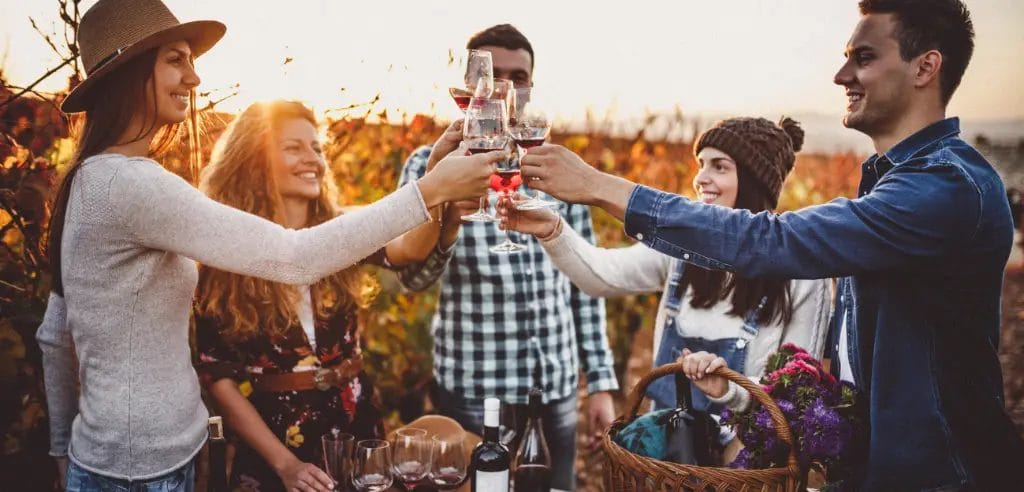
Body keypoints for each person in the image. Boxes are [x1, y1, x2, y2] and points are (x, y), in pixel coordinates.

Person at [517, 0, 1024, 488]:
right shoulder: (898, 185)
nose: (841, 75)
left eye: (863, 57)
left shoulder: (946, 188)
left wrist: (599, 185)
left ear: (925, 67)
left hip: (939, 478)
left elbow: (771, 240)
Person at [34, 0, 498, 489]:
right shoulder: (128, 184)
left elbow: (53, 332)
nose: (193, 78)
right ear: (127, 72)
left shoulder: (91, 181)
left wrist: (63, 451)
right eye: (175, 59)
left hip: (144, 459)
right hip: (138, 473)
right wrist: (431, 190)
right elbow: (294, 257)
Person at [394, 24, 617, 490]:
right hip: (475, 388)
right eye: (494, 76)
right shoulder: (429, 166)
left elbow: (586, 280)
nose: (506, 89)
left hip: (554, 386)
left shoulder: (557, 168)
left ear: (531, 86)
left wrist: (599, 381)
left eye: (519, 77)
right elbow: (412, 278)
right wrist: (448, 225)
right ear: (470, 83)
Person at [499, 117, 831, 419]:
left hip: (744, 472)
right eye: (701, 165)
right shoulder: (683, 253)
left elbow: (798, 393)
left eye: (719, 167)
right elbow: (601, 275)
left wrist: (730, 389)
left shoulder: (800, 278)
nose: (701, 178)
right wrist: (551, 229)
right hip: (665, 462)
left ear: (755, 183)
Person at [192, 100, 388, 491]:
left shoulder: (340, 232)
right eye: (293, 147)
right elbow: (218, 377)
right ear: (254, 159)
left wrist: (444, 204)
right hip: (276, 448)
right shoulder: (225, 252)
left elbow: (410, 249)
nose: (312, 158)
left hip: (356, 431)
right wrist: (286, 466)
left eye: (316, 147)